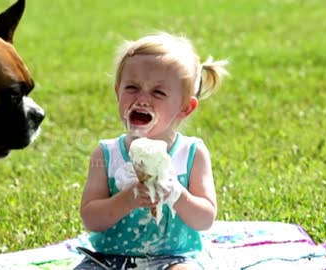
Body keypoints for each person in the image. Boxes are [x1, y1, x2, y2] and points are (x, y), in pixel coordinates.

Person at [74, 32, 229, 270]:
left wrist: (177, 194)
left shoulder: (191, 154)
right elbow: (90, 219)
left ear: (185, 107)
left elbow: (205, 219)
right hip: (109, 259)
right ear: (117, 92)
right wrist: (127, 199)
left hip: (173, 258)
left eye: (158, 92)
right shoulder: (106, 155)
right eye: (132, 88)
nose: (142, 99)